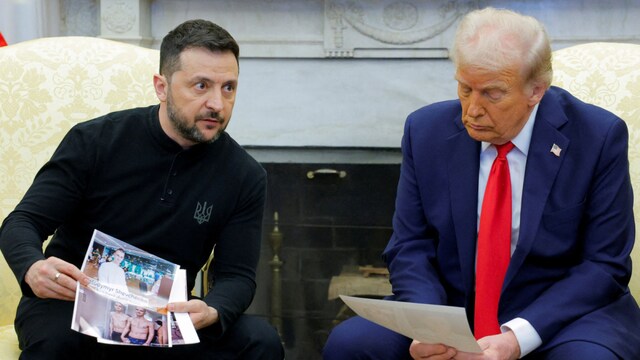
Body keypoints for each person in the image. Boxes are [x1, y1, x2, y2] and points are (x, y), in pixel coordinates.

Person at [323, 7, 640, 360]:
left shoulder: (596, 137)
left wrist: (517, 336)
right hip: (450, 309)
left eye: (491, 93)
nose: (471, 110)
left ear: (536, 90)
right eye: (464, 88)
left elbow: (604, 265)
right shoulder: (425, 131)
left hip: (559, 318)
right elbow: (410, 244)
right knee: (350, 344)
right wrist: (431, 326)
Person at [0, 19, 283, 359]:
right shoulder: (95, 141)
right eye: (201, 86)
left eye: (228, 88)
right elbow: (22, 223)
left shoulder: (244, 175)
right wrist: (32, 266)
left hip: (164, 316)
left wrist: (213, 310)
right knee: (55, 343)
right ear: (161, 87)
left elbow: (237, 275)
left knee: (260, 340)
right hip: (73, 306)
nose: (217, 105)